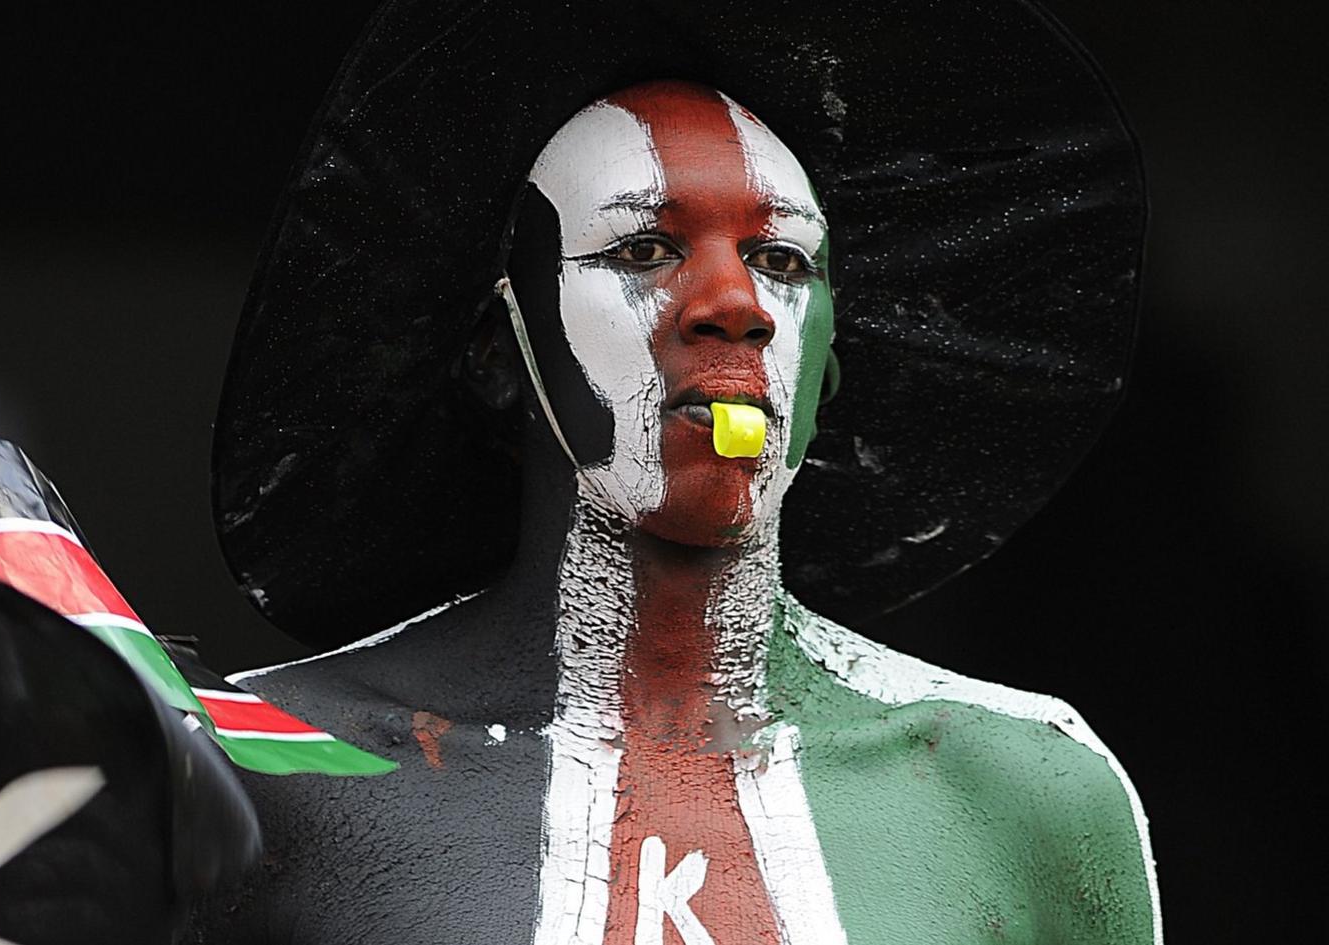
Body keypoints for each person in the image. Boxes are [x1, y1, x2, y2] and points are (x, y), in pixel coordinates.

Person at [195, 2, 1158, 943]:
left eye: (780, 259)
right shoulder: (258, 770)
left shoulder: (1022, 791)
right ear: (498, 350)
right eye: (645, 249)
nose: (736, 305)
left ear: (826, 366)